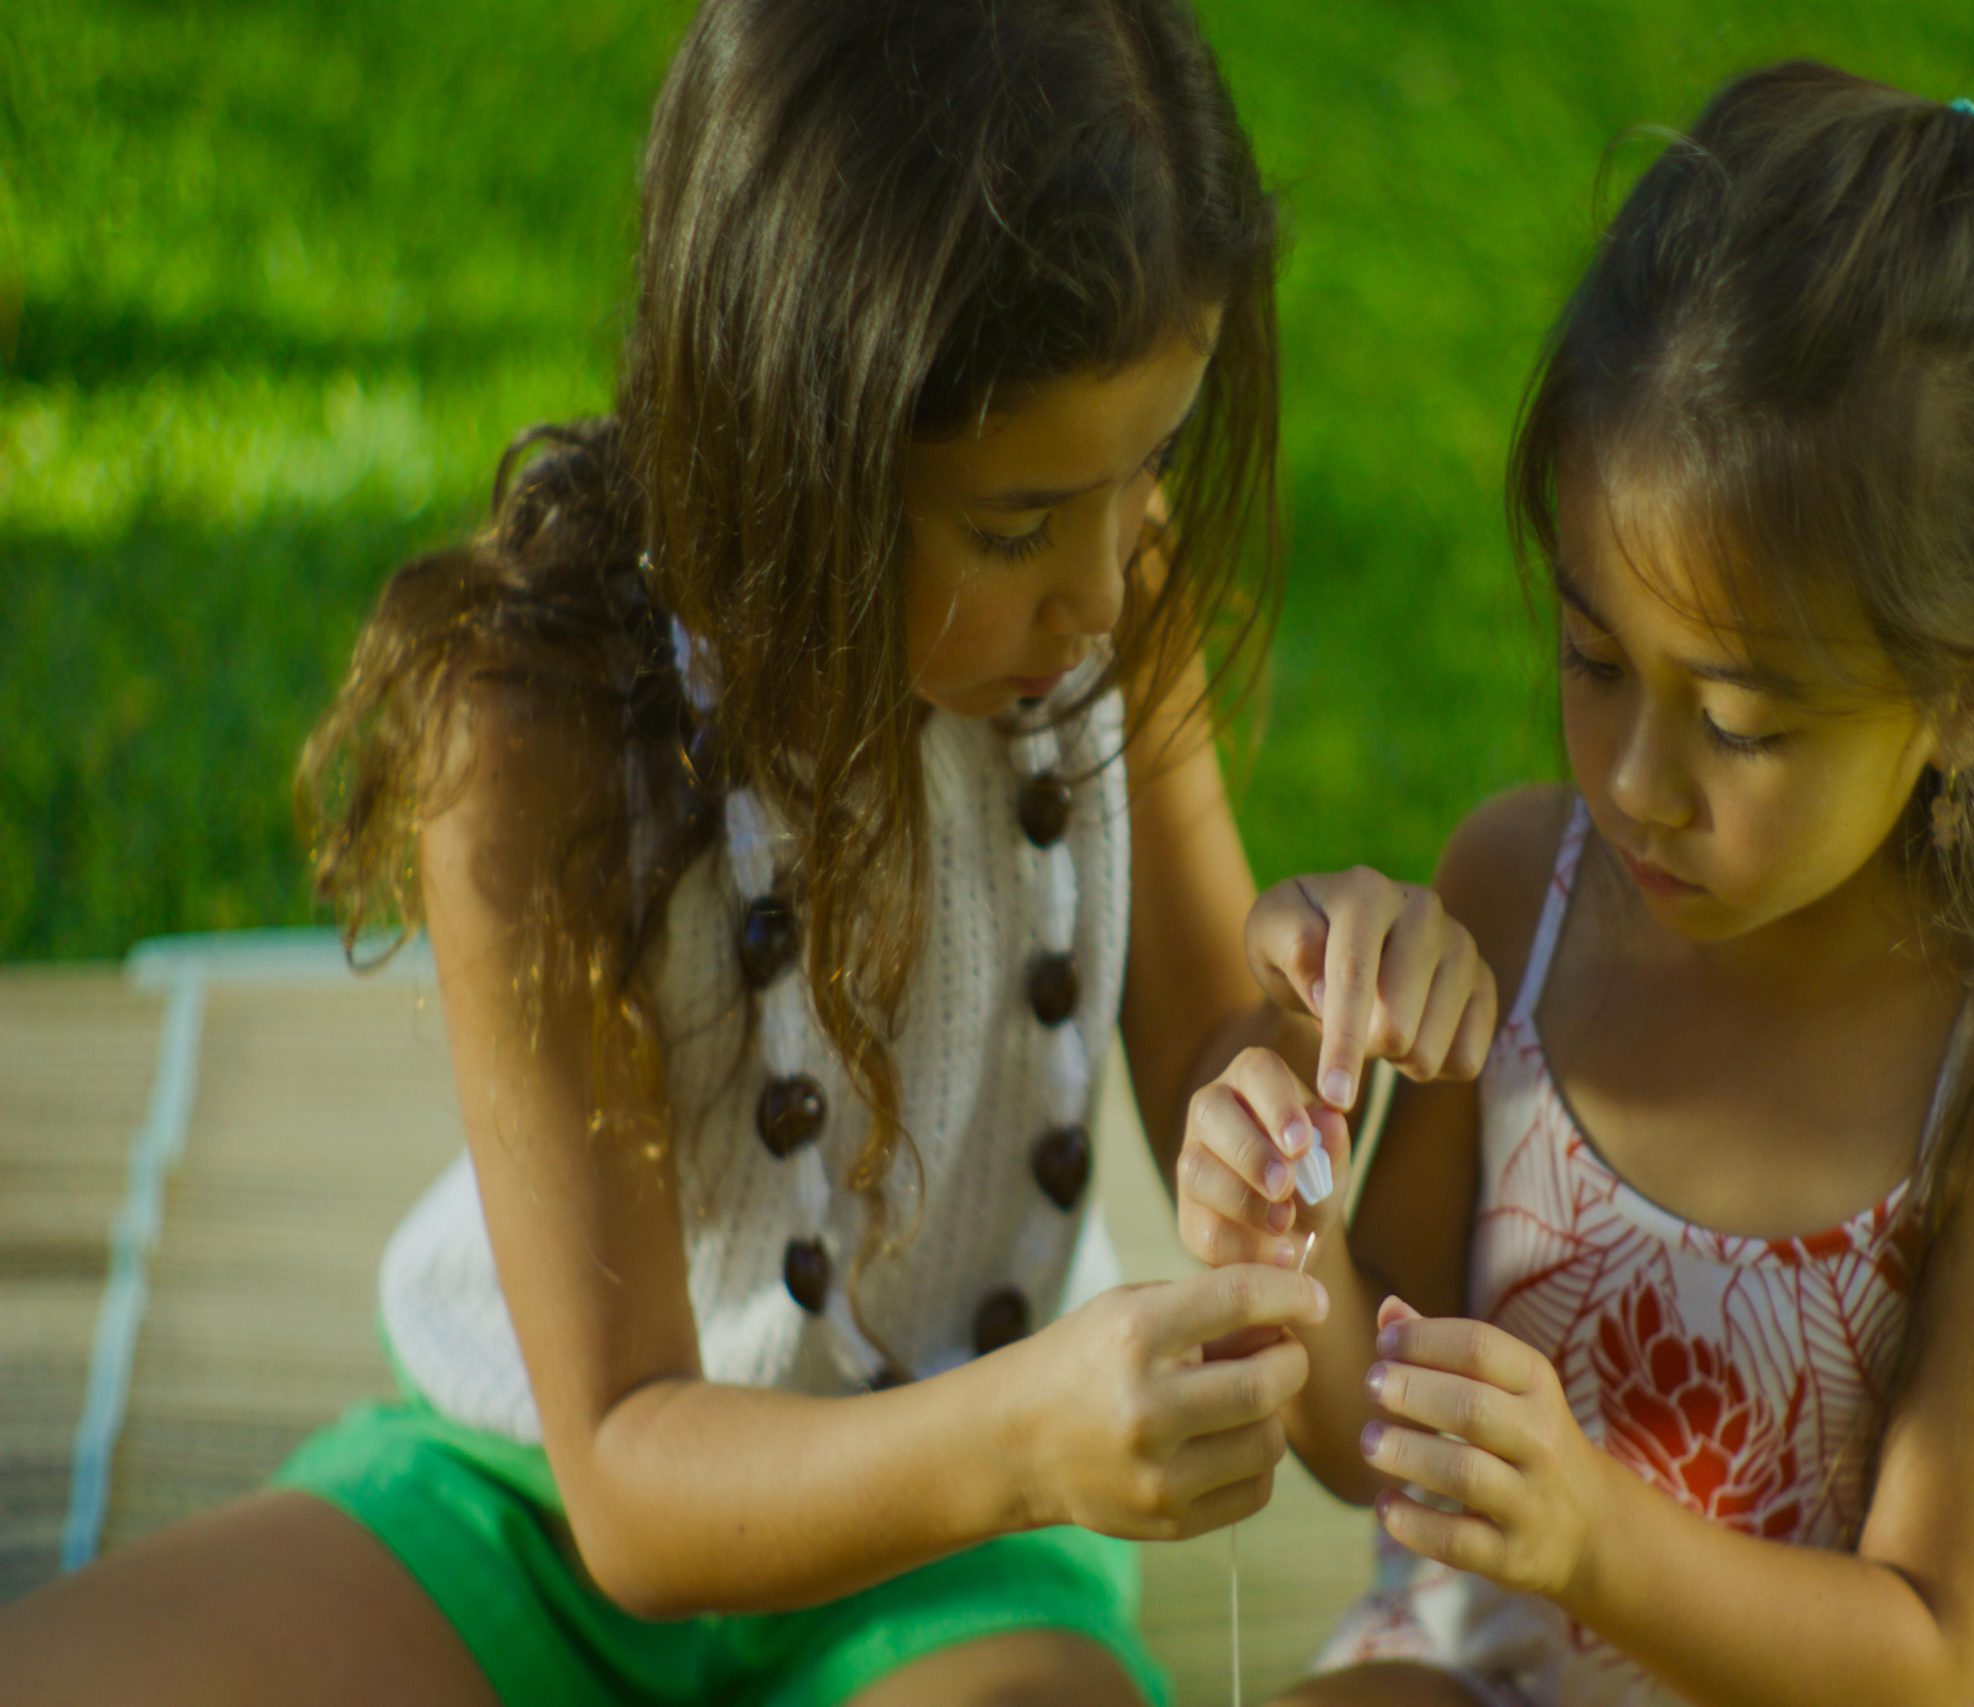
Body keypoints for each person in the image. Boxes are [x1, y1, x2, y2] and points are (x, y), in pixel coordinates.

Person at [0, 2, 1494, 1702]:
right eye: (1014, 525)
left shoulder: (1103, 620)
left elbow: (1213, 1071)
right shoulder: (538, 738)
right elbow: (629, 1475)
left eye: (1143, 473)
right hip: (531, 1525)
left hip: (961, 1563)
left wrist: (1298, 1058)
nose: (1098, 587)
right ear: (799, 443)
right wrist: (1026, 1434)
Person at [1174, 62, 1974, 1707]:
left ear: (1972, 696)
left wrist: (1594, 1536)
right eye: (1592, 656)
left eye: (1739, 722)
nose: (1638, 783)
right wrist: (1278, 1237)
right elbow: (1372, 1450)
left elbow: (1927, 1644)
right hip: (1506, 1670)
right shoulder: (1518, 893)